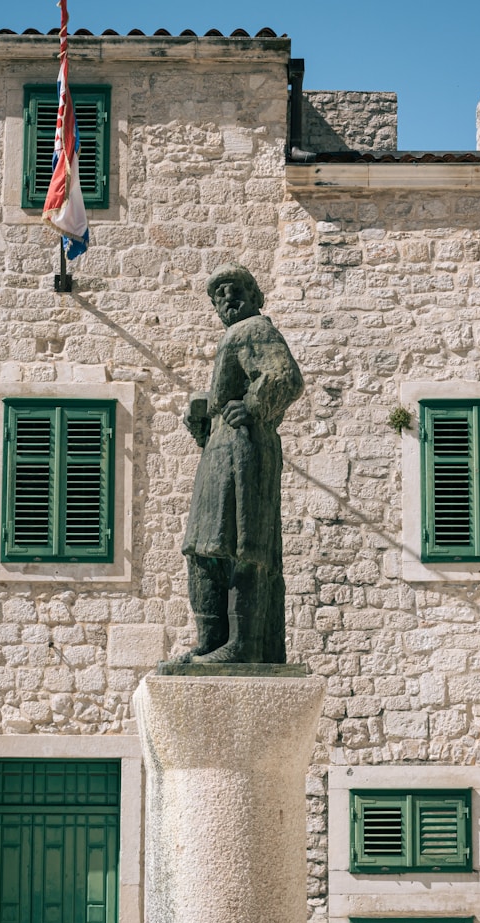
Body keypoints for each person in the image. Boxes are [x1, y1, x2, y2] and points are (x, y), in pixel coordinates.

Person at [180, 263, 304, 663]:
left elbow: (285, 378)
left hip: (241, 450)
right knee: (204, 546)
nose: (227, 299)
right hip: (222, 448)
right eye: (219, 295)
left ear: (253, 296)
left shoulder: (254, 329)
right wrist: (206, 414)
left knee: (239, 543)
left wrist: (251, 407)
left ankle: (241, 643)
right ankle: (211, 639)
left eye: (235, 290)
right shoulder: (235, 336)